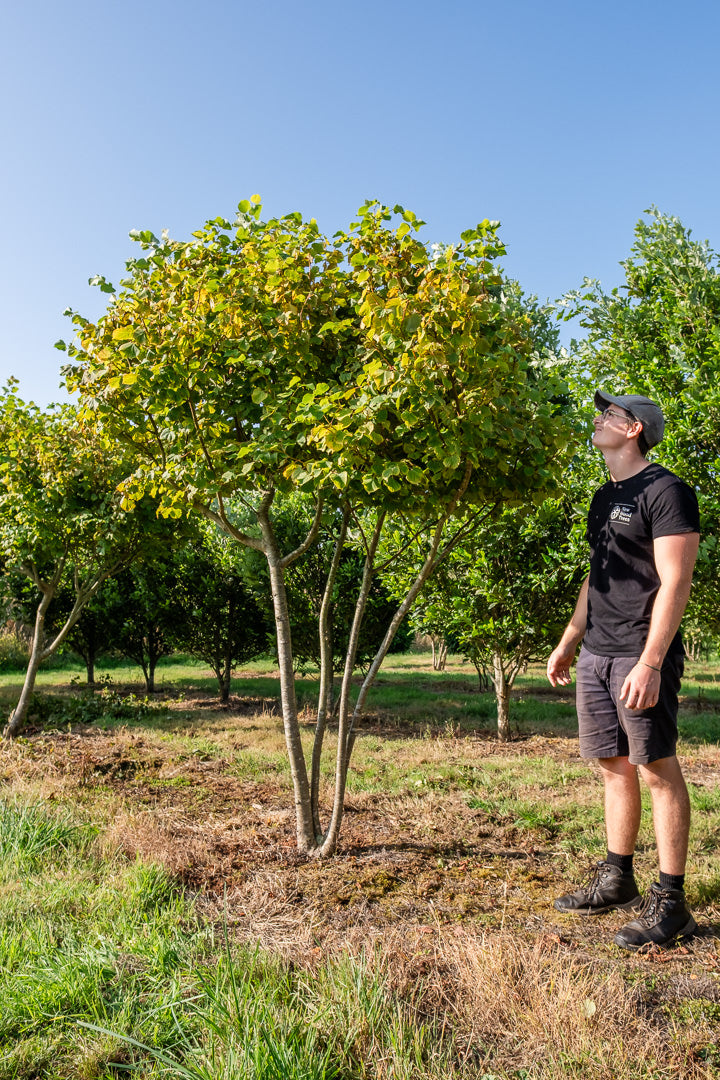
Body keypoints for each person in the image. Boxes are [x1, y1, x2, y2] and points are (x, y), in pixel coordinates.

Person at [546, 390, 700, 950]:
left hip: (640, 653)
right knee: (613, 765)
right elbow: (599, 575)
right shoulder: (603, 496)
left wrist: (652, 661)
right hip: (598, 653)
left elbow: (676, 581)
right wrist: (570, 642)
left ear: (634, 429)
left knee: (655, 766)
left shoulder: (667, 491)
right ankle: (618, 877)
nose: (598, 420)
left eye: (609, 414)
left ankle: (672, 902)